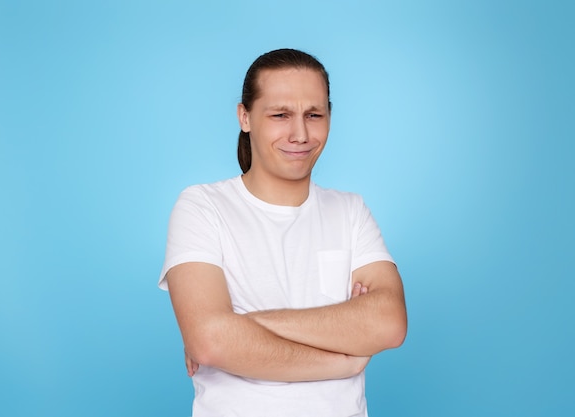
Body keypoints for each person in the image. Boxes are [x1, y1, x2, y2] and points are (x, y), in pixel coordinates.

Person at [159, 48, 407, 417]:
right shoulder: (202, 206)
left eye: (314, 115)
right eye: (280, 115)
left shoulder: (350, 211)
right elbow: (210, 342)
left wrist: (246, 324)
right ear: (245, 117)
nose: (300, 133)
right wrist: (343, 360)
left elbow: (389, 323)